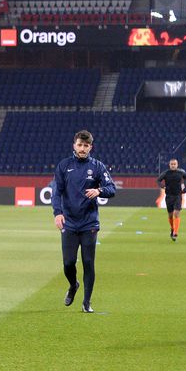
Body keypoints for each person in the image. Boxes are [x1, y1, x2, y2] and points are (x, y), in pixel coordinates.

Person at [51, 129, 117, 313]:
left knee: (88, 262)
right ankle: (73, 285)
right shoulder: (64, 166)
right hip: (69, 223)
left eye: (86, 146)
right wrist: (57, 213)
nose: (82, 148)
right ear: (74, 145)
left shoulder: (97, 167)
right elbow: (57, 193)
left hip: (89, 224)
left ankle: (86, 302)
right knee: (68, 263)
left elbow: (111, 188)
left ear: (90, 147)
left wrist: (99, 191)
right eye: (79, 145)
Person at [157, 158, 186, 241]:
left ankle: (175, 232)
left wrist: (185, 187)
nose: (173, 165)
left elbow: (185, 178)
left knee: (176, 213)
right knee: (170, 215)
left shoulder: (181, 172)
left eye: (175, 164)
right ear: (169, 165)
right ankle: (172, 228)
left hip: (178, 195)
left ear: (177, 165)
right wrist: (163, 186)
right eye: (172, 164)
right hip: (169, 196)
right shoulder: (166, 173)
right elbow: (158, 180)